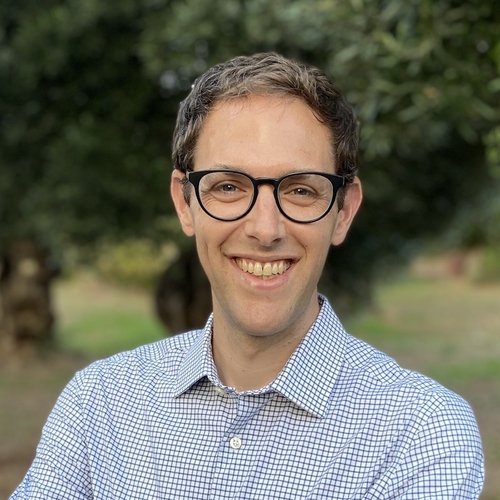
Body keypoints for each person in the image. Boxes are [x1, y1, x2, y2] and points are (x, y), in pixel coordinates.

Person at [11, 53, 484, 499]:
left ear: (343, 212)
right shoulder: (99, 404)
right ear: (185, 202)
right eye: (229, 187)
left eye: (300, 190)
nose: (264, 230)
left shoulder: (422, 434)